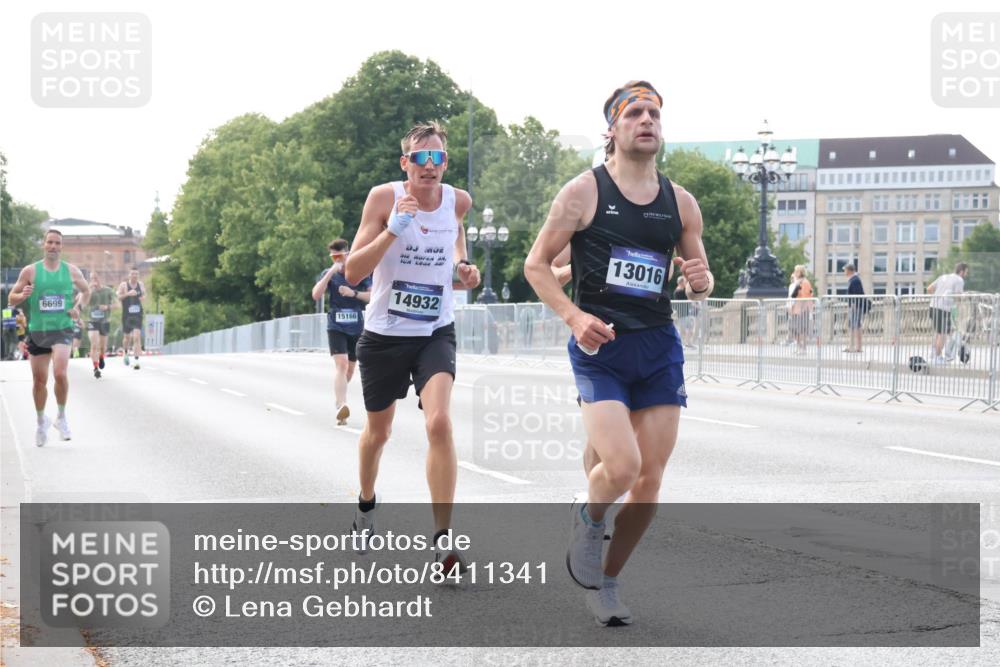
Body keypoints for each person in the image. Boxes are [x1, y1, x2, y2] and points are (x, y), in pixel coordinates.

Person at [524, 81, 713, 627]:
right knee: (622, 466)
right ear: (613, 129)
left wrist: (699, 280)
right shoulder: (582, 193)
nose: (647, 120)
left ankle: (607, 581)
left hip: (657, 347)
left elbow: (697, 281)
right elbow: (537, 266)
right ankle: (588, 515)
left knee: (650, 481)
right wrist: (575, 317)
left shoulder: (681, 202)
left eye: (655, 112)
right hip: (600, 344)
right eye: (635, 113)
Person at [344, 121, 481, 571]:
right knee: (377, 434)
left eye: (437, 158)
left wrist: (464, 266)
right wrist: (393, 230)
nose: (429, 166)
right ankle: (365, 504)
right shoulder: (384, 199)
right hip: (384, 334)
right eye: (420, 158)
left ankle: (443, 537)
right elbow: (351, 272)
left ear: (445, 162)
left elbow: (456, 232)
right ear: (406, 163)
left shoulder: (458, 200)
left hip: (433, 331)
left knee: (439, 422)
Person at [7, 229, 90, 446]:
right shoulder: (30, 271)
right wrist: (21, 295)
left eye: (57, 243)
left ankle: (61, 417)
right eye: (50, 242)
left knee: (60, 373)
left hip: (62, 328)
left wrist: (77, 307)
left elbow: (86, 291)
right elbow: (11, 298)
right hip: (37, 331)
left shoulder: (71, 271)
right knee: (39, 381)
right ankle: (41, 420)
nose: (53, 246)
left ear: (62, 247)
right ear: (44, 245)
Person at [312, 239, 372, 425]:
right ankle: (341, 404)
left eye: (341, 255)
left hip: (356, 326)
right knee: (342, 364)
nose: (338, 259)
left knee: (350, 368)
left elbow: (373, 297)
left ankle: (341, 401)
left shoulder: (361, 274)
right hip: (336, 325)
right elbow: (316, 294)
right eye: (334, 256)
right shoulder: (329, 274)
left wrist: (353, 293)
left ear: (348, 253)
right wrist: (330, 272)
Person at [927, 262, 968, 364]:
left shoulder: (943, 276)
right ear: (962, 272)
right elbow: (959, 296)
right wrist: (965, 297)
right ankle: (937, 357)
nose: (966, 274)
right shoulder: (959, 280)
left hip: (933, 306)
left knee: (938, 332)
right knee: (943, 334)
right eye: (966, 272)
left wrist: (939, 295)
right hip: (943, 308)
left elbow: (929, 289)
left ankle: (933, 355)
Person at [86, 272, 115, 378]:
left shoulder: (108, 290)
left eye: (96, 278)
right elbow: (84, 302)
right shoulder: (88, 290)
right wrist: (88, 290)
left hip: (104, 321)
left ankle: (101, 356)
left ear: (100, 278)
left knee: (102, 346)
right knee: (94, 343)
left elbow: (117, 304)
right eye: (91, 278)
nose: (94, 280)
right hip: (92, 321)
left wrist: (107, 307)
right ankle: (95, 368)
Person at [117, 268, 145, 370]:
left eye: (136, 274)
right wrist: (128, 294)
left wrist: (139, 296)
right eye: (133, 274)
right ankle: (125, 352)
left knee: (137, 337)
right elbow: (119, 297)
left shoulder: (140, 285)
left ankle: (136, 361)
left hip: (137, 314)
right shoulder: (124, 285)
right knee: (127, 338)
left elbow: (143, 296)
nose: (135, 276)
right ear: (129, 275)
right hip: (127, 315)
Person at [788, 265, 813, 355]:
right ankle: (800, 347)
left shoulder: (804, 282)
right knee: (796, 330)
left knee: (801, 330)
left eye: (796, 271)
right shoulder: (799, 282)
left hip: (801, 309)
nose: (794, 272)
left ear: (800, 272)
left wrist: (802, 308)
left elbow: (805, 296)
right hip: (797, 309)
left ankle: (803, 348)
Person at [843, 263, 866, 353]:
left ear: (849, 270)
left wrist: (854, 304)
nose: (844, 272)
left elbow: (857, 294)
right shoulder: (853, 279)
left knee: (856, 326)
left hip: (855, 307)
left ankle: (858, 347)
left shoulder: (855, 280)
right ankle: (852, 346)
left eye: (845, 270)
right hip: (854, 307)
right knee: (853, 326)